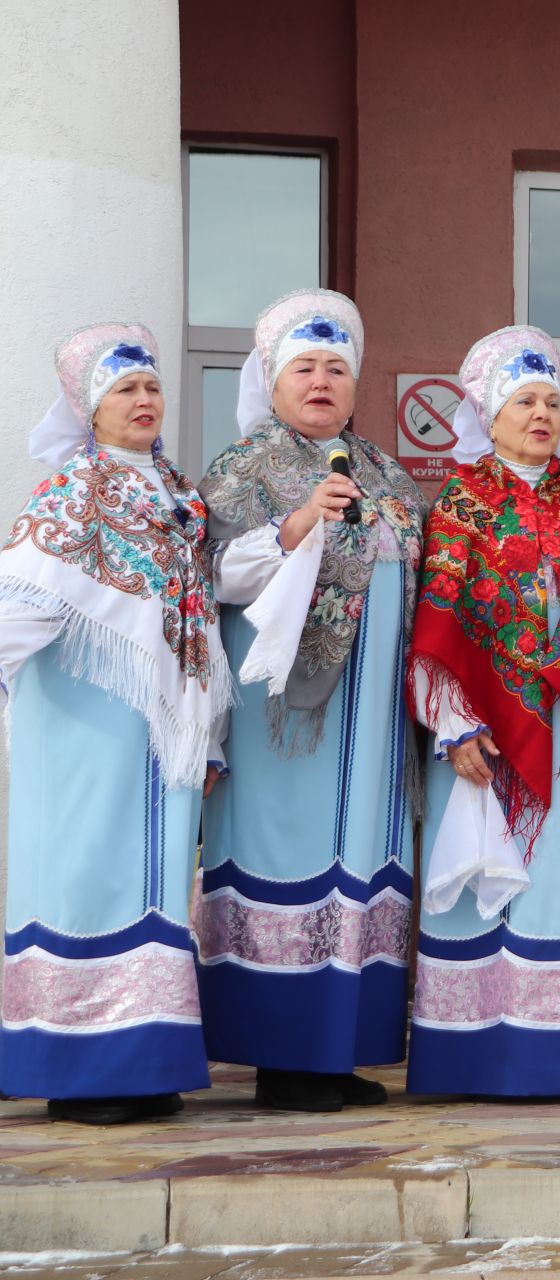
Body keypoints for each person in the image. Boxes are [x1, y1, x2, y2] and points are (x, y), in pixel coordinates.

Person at [405, 328, 560, 1098]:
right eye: (526, 402)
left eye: (553, 402)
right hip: (485, 723)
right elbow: (438, 618)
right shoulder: (462, 500)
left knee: (556, 880)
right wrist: (451, 723)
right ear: (491, 414)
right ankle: (474, 1057)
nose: (543, 414)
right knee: (491, 881)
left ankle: (555, 1057)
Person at [197, 289, 428, 1112]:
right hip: (283, 724)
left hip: (370, 722)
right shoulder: (243, 466)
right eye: (305, 367)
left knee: (361, 863)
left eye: (337, 367)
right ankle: (282, 1058)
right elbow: (210, 577)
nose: (323, 381)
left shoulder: (383, 469)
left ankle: (340, 1052)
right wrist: (292, 529)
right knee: (285, 860)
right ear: (273, 380)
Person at [0, 323, 231, 1123]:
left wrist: (207, 729)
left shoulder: (179, 492)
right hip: (85, 726)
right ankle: (79, 1069)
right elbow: (20, 605)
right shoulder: (74, 491)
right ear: (88, 408)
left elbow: (198, 622)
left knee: (155, 882)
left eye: (151, 387)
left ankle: (143, 1060)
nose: (143, 401)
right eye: (124, 390)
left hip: (156, 735)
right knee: (87, 876)